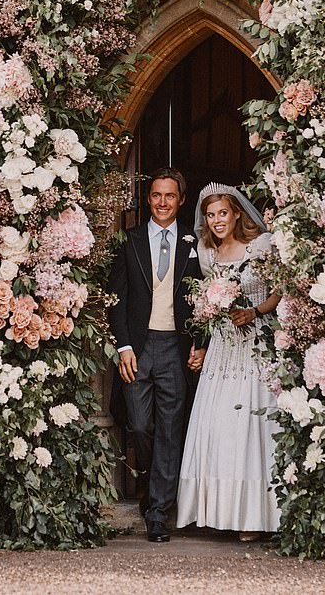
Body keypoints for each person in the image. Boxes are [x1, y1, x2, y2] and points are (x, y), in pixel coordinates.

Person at [176, 183, 281, 541]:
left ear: (237, 213)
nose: (217, 220)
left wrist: (254, 310)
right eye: (211, 215)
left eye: (223, 213)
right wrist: (202, 343)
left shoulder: (261, 246)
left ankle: (254, 516)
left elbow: (278, 291)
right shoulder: (207, 253)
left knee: (251, 427)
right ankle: (218, 511)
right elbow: (207, 309)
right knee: (219, 425)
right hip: (223, 348)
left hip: (255, 343)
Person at [108, 168, 204, 543]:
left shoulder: (193, 243)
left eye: (169, 196)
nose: (162, 202)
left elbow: (203, 301)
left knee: (169, 430)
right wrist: (124, 346)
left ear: (181, 200)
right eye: (155, 196)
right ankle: (150, 486)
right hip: (138, 346)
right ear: (148, 200)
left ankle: (159, 512)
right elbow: (116, 299)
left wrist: (199, 342)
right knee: (140, 425)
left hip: (174, 348)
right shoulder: (129, 241)